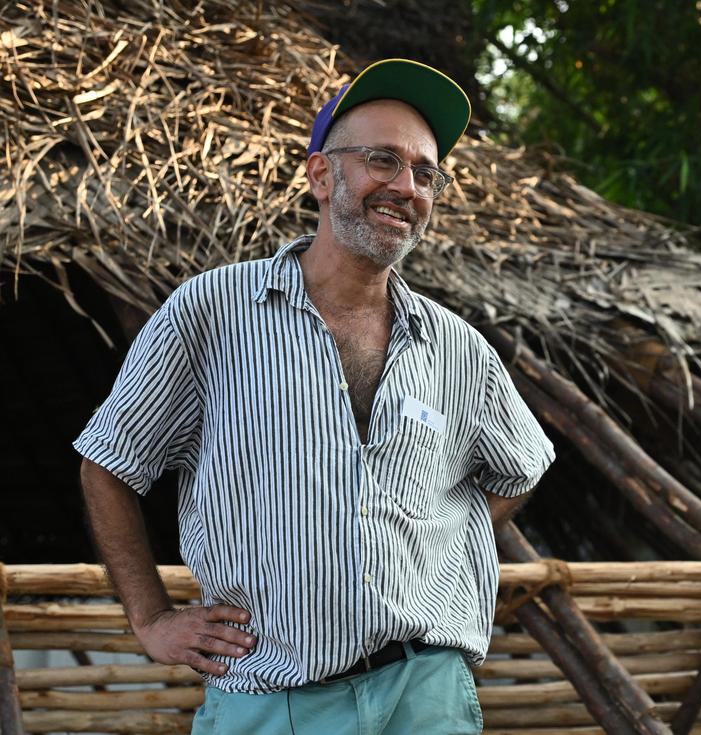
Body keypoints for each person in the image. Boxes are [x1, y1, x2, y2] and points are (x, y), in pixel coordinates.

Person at [74, 59, 555, 734]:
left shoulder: (458, 348)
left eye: (425, 171)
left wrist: (436, 545)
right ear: (321, 175)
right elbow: (108, 463)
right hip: (273, 697)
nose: (405, 185)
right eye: (382, 159)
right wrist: (151, 617)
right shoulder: (212, 312)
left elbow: (521, 464)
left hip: (425, 693)